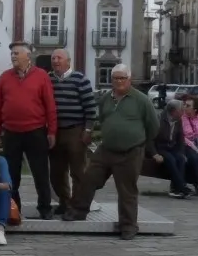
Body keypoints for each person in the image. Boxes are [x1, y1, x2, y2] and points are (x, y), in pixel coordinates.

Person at [63, 64, 157, 241]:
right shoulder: (106, 98)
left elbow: (153, 125)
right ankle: (78, 211)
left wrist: (139, 142)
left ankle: (128, 226)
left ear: (129, 79)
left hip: (131, 151)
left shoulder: (141, 100)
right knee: (89, 178)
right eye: (115, 78)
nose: (119, 81)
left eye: (122, 78)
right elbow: (103, 119)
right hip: (106, 149)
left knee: (127, 190)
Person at [0, 42, 57, 220]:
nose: (12, 56)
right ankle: (14, 208)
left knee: (40, 172)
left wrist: (52, 131)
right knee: (11, 173)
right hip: (11, 132)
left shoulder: (41, 76)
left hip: (35, 131)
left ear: (27, 56)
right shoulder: (5, 77)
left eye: (16, 53)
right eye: (12, 53)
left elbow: (50, 105)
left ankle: (45, 208)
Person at [48, 48, 95, 215]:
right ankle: (64, 202)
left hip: (76, 129)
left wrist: (88, 129)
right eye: (53, 58)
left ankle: (77, 206)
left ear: (68, 61)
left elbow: (90, 108)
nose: (55, 61)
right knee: (56, 171)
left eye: (59, 58)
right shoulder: (48, 79)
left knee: (78, 171)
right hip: (55, 131)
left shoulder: (80, 79)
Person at [150, 98, 192, 198]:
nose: (183, 113)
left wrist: (182, 152)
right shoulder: (159, 119)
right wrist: (154, 154)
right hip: (160, 147)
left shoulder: (178, 120)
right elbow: (150, 139)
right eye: (181, 110)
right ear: (174, 111)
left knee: (181, 158)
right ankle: (181, 186)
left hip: (171, 147)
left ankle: (176, 189)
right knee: (171, 159)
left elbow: (180, 138)